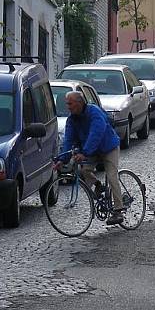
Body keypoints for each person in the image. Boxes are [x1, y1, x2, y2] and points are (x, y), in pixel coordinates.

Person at [55, 91, 124, 225]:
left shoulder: (94, 112)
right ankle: (98, 185)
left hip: (108, 147)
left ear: (79, 103)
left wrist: (85, 152)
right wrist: (61, 160)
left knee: (111, 176)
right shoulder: (72, 119)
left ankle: (118, 210)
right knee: (85, 170)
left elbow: (96, 133)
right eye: (67, 104)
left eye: (70, 103)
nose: (68, 106)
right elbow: (68, 140)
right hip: (91, 151)